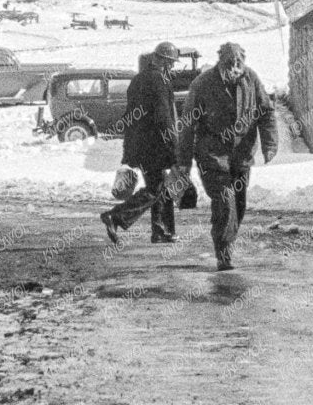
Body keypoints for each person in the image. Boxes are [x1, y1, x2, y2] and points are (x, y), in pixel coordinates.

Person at [178, 40, 277, 272]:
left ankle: (225, 238)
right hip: (211, 156)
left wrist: (269, 144)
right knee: (225, 202)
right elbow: (187, 124)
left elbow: (267, 112)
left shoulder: (251, 79)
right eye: (229, 63)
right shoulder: (202, 84)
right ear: (220, 62)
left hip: (242, 155)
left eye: (238, 62)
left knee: (238, 205)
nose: (234, 67)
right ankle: (223, 253)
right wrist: (183, 162)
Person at [102, 42, 183, 245]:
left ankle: (161, 231)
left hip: (140, 144)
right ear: (163, 61)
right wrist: (173, 146)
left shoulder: (138, 80)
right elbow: (164, 118)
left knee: (160, 187)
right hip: (156, 145)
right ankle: (116, 216)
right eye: (171, 63)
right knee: (155, 188)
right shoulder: (159, 81)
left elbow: (130, 116)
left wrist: (129, 149)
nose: (172, 67)